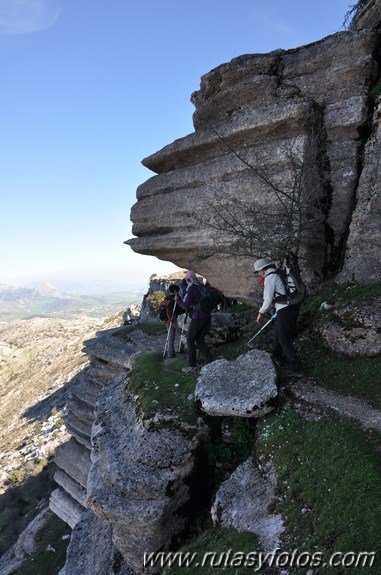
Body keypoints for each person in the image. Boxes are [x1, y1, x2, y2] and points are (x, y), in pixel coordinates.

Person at [254, 258, 304, 378]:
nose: (258, 274)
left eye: (258, 272)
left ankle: (297, 369)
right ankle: (277, 359)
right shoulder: (277, 274)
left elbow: (268, 299)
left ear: (263, 269)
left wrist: (261, 313)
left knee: (283, 339)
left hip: (284, 310)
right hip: (289, 309)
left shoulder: (270, 278)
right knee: (277, 335)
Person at [174, 270, 213, 373]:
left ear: (188, 279)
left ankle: (192, 365)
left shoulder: (191, 289)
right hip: (207, 316)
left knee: (190, 340)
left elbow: (185, 306)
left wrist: (178, 300)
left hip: (198, 317)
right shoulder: (201, 286)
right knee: (199, 340)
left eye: (185, 279)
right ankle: (210, 360)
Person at [165, 284, 183, 358]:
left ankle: (170, 353)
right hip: (175, 319)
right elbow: (181, 309)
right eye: (178, 290)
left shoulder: (166, 299)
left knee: (170, 336)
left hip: (167, 319)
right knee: (183, 333)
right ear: (175, 291)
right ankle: (181, 348)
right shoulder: (176, 299)